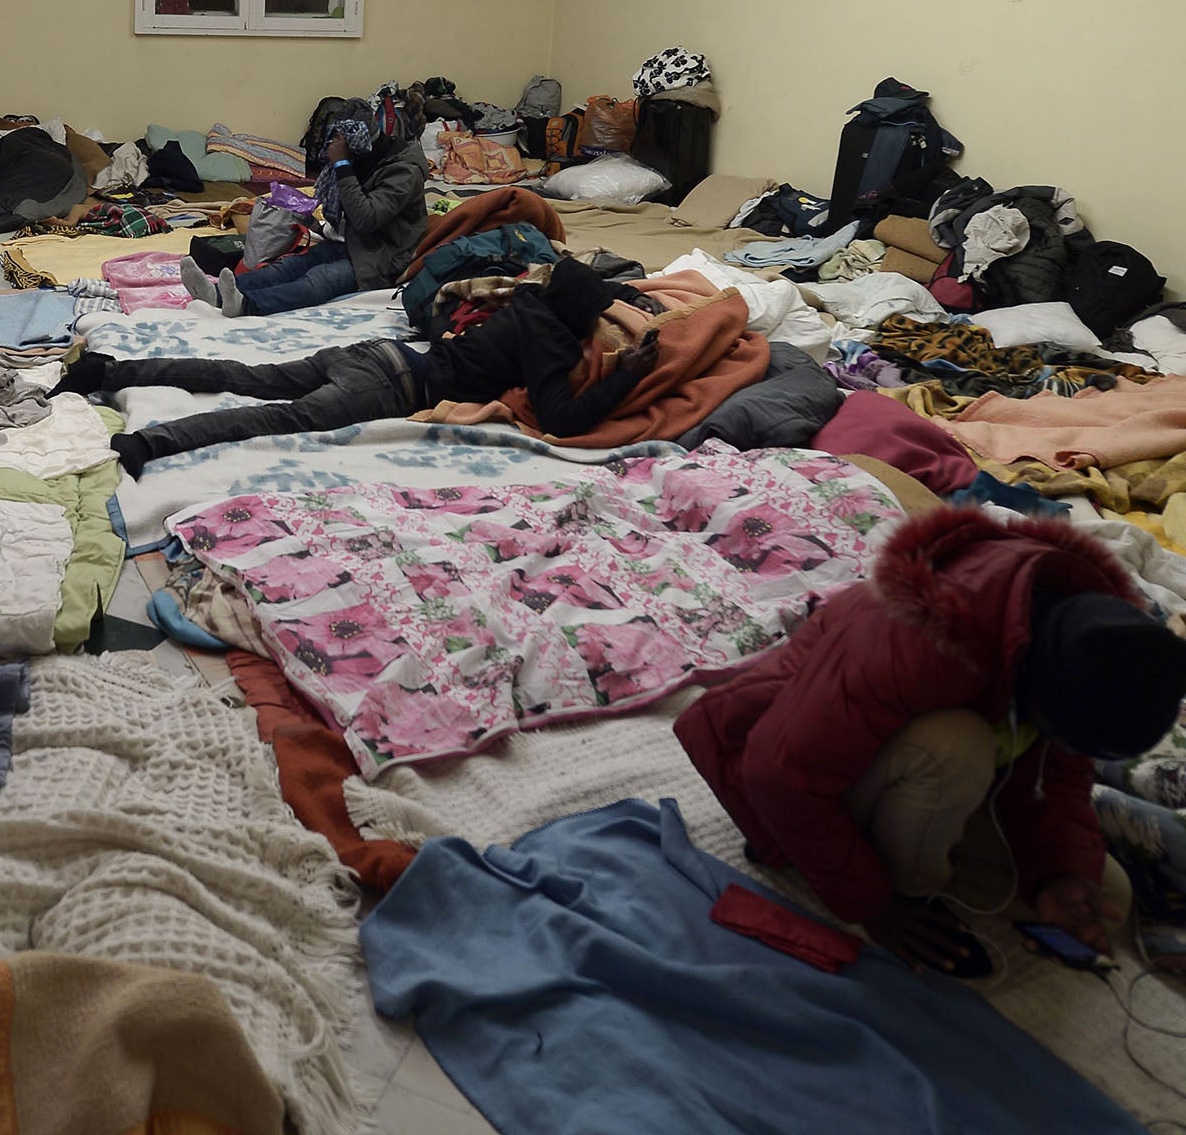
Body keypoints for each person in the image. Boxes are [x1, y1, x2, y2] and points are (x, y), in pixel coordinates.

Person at [675, 505, 1186, 974]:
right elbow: (775, 772)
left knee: (1097, 889)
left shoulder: (1087, 648)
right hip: (781, 775)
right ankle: (912, 889)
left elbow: (1058, 778)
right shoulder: (918, 637)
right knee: (955, 747)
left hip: (916, 776)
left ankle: (929, 864)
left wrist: (1059, 874)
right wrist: (877, 909)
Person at [62, 255, 659, 478]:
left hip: (371, 351)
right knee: (272, 420)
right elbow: (562, 418)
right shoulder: (551, 339)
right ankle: (147, 444)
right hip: (392, 384)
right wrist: (627, 371)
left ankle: (109, 371)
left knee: (243, 375)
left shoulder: (523, 302)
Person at [180, 106, 427, 317]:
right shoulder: (365, 159)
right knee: (289, 267)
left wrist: (342, 165)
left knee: (318, 279)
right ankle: (217, 294)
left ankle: (246, 305)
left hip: (384, 256)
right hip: (352, 243)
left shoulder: (404, 171)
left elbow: (366, 218)